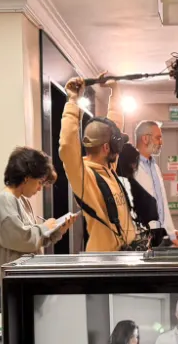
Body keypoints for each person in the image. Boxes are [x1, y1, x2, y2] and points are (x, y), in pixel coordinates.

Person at [0, 146, 72, 312]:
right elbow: (22, 239)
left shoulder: (20, 200)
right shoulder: (3, 201)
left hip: (19, 283)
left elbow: (32, 241)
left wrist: (56, 232)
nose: (39, 188)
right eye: (39, 182)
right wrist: (44, 227)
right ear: (26, 178)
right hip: (6, 287)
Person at [59, 76, 138, 252]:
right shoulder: (84, 177)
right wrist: (73, 101)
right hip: (104, 261)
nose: (119, 149)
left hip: (122, 257)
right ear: (106, 148)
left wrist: (115, 92)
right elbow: (67, 146)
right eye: (116, 145)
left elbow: (114, 125)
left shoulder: (108, 168)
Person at [132, 120, 178, 247]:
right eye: (158, 138)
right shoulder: (130, 167)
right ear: (145, 139)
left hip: (159, 236)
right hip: (140, 237)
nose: (161, 142)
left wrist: (170, 232)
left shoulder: (155, 167)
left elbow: (161, 203)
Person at [116, 143, 160, 242]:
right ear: (130, 164)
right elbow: (151, 210)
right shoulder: (132, 183)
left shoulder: (112, 182)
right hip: (134, 236)